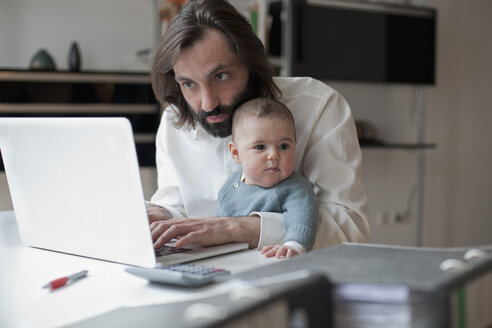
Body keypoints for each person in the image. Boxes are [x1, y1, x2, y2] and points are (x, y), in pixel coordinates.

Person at [148, 0, 369, 251]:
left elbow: (350, 227)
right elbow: (177, 204)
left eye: (220, 76)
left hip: (293, 275)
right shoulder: (174, 121)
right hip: (199, 274)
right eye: (189, 84)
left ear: (251, 65)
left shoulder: (319, 106)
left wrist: (236, 229)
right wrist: (160, 215)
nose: (208, 103)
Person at [216, 98, 319, 258]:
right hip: (232, 261)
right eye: (260, 147)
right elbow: (218, 224)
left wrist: (294, 245)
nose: (274, 155)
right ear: (236, 153)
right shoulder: (231, 186)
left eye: (284, 146)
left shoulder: (295, 188)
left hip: (274, 261)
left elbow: (303, 218)